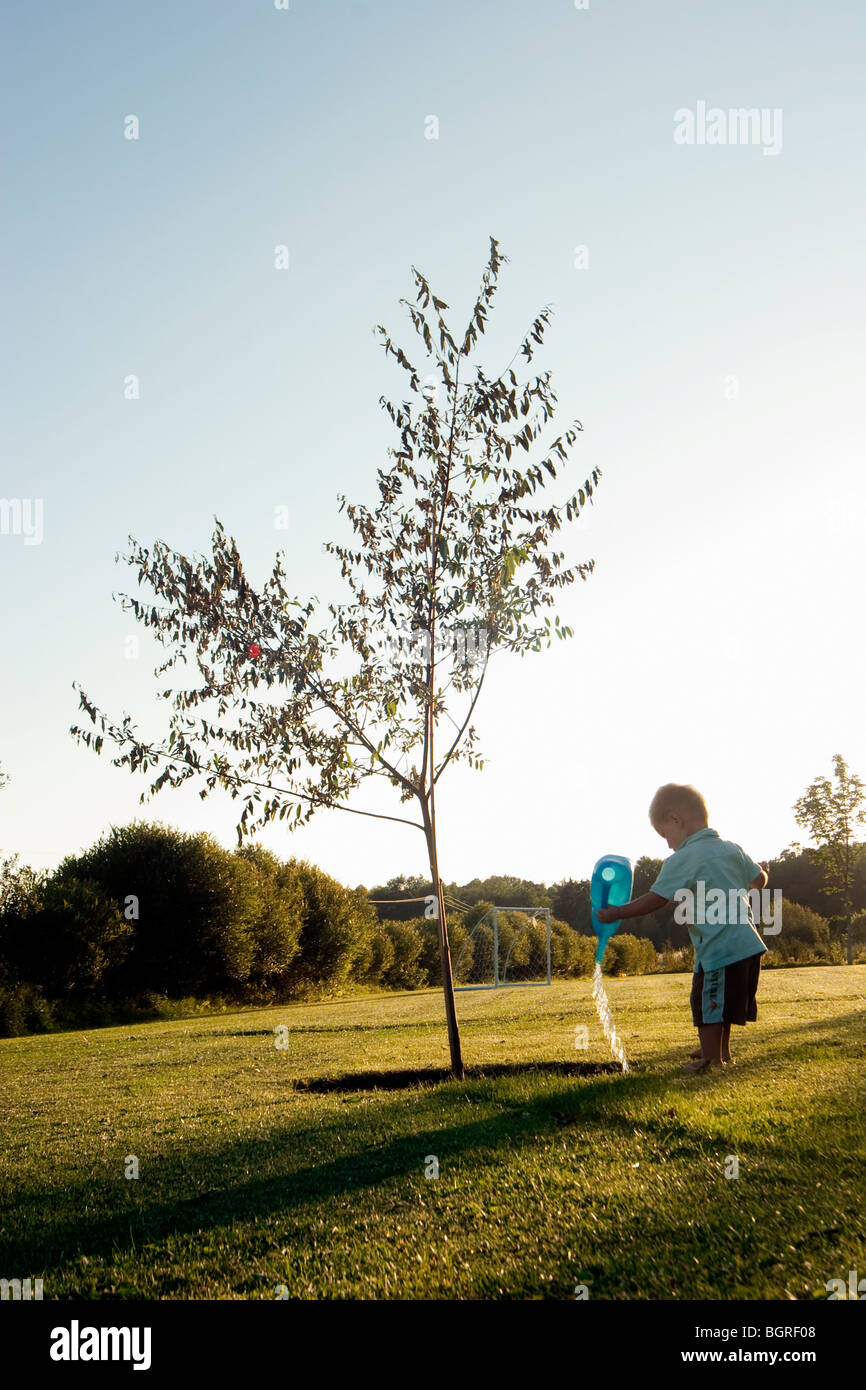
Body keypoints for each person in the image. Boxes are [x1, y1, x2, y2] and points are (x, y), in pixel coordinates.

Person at [596, 783, 769, 1073]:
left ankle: (711, 1060)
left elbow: (655, 899)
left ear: (676, 820)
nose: (667, 843)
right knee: (721, 1003)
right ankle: (719, 1052)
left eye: (665, 834)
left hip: (719, 946)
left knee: (707, 1002)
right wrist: (763, 870)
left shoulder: (683, 858)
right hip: (749, 945)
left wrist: (617, 913)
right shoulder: (732, 849)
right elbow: (760, 881)